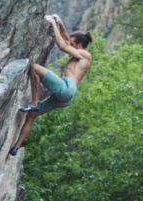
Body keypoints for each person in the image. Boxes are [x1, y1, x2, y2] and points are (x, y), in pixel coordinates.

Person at [9, 15, 93, 156]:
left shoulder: (85, 55)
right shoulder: (79, 52)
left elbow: (62, 45)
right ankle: (16, 147)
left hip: (67, 88)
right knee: (31, 116)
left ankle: (34, 102)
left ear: (79, 45)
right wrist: (60, 22)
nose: (70, 46)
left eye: (73, 45)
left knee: (35, 68)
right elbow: (67, 40)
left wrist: (53, 23)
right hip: (64, 98)